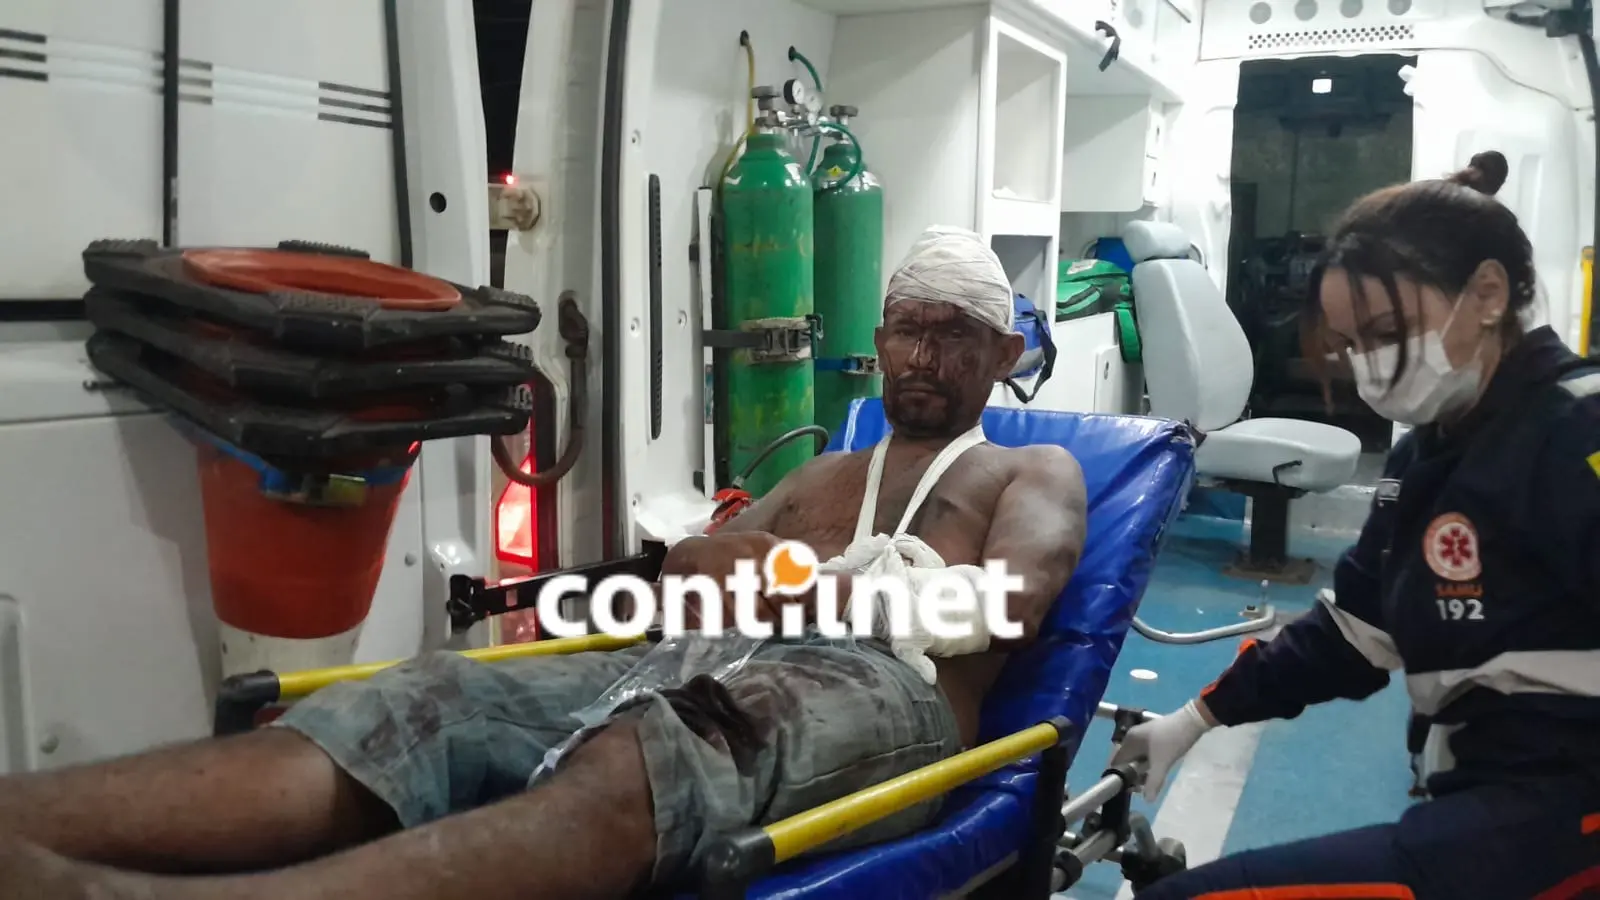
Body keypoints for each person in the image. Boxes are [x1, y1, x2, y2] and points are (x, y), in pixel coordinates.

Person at [0, 226, 1088, 900]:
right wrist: (713, 562)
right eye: (906, 329)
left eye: (955, 336)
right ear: (880, 337)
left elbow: (1006, 605)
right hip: (702, 658)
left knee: (644, 759)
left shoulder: (1030, 471)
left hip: (882, 689)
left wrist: (800, 582)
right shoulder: (822, 476)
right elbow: (695, 569)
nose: (923, 357)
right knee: (431, 698)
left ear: (1003, 352)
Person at [1114, 151, 1600, 899]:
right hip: (1478, 799)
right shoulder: (1428, 456)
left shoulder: (1577, 431)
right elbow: (1352, 633)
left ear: (1488, 294)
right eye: (1352, 345)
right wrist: (1196, 717)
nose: (1370, 365)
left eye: (1386, 332)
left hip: (1559, 816)